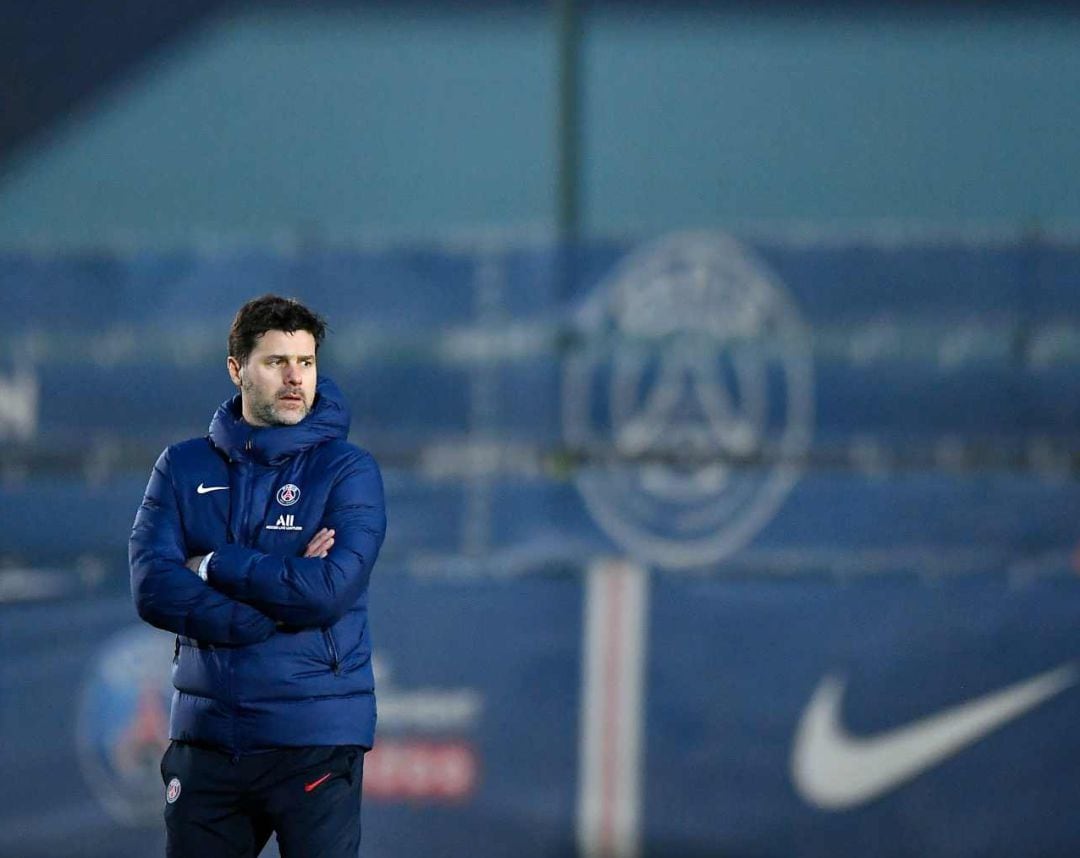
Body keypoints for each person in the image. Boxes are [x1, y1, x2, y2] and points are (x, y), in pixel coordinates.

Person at [130, 294, 386, 858]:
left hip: (314, 741)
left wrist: (215, 565)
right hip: (208, 740)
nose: (296, 378)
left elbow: (327, 591)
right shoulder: (182, 466)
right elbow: (152, 585)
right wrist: (262, 613)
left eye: (307, 362)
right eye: (276, 362)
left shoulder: (348, 469)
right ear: (237, 369)